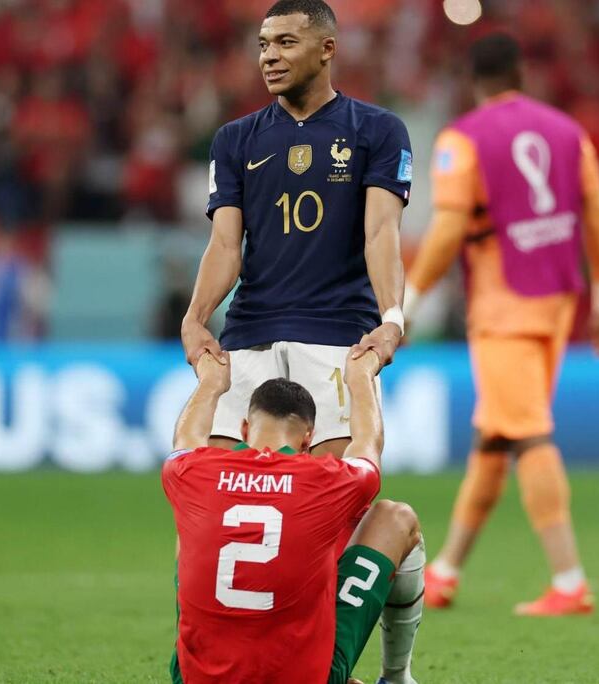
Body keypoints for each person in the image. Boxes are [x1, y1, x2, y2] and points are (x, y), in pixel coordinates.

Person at [180, 2, 424, 676]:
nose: (270, 56)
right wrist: (197, 316)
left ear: (327, 48)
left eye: (287, 42)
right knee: (217, 516)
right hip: (249, 341)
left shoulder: (376, 130)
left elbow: (381, 232)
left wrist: (392, 316)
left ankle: (382, 670)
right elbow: (225, 245)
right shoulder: (235, 139)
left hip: (336, 339)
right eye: (264, 44)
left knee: (337, 526)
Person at [404, 33, 599, 616]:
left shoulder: (463, 139)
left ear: (472, 81)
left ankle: (569, 580)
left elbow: (449, 228)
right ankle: (445, 571)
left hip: (504, 309)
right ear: (520, 74)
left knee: (526, 433)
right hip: (558, 300)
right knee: (495, 436)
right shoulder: (568, 131)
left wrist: (409, 302)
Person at [164, 349, 421, 684]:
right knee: (395, 517)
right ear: (308, 438)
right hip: (303, 677)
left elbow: (184, 439)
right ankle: (397, 677)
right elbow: (368, 443)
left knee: (191, 522)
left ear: (244, 429)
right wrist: (361, 376)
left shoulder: (194, 472)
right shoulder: (324, 479)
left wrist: (211, 381)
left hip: (196, 678)